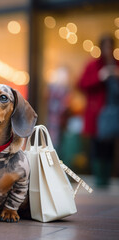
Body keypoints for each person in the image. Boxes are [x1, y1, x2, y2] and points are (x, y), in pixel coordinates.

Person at [78, 34, 119, 187]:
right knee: (98, 146)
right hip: (98, 114)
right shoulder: (93, 66)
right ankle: (100, 180)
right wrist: (100, 77)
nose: (108, 50)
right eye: (106, 46)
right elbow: (81, 84)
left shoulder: (117, 65)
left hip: (115, 113)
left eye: (110, 46)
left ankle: (107, 179)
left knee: (110, 147)